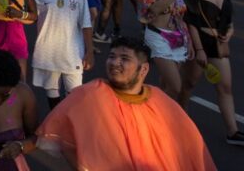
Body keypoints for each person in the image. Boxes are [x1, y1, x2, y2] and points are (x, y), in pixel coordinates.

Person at [36, 37, 217, 170]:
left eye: (124, 59)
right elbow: (58, 134)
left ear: (143, 69)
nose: (115, 63)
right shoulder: (89, 95)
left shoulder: (161, 102)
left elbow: (189, 147)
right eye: (112, 56)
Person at [182, 0, 243, 145]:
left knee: (225, 88)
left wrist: (230, 31)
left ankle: (232, 131)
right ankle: (178, 119)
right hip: (202, 43)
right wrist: (199, 49)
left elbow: (228, 18)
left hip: (219, 45)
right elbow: (192, 24)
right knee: (189, 84)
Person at [31, 0, 94, 110]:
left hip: (72, 52)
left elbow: (86, 24)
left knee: (75, 94)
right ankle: (55, 125)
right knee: (52, 91)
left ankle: (70, 126)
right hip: (49, 50)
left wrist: (89, 51)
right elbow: (31, 15)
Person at [138, 0, 193, 102]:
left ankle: (158, 117)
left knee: (167, 86)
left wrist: (188, 39)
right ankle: (155, 114)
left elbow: (181, 15)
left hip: (177, 37)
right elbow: (153, 10)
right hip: (158, 36)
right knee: (176, 86)